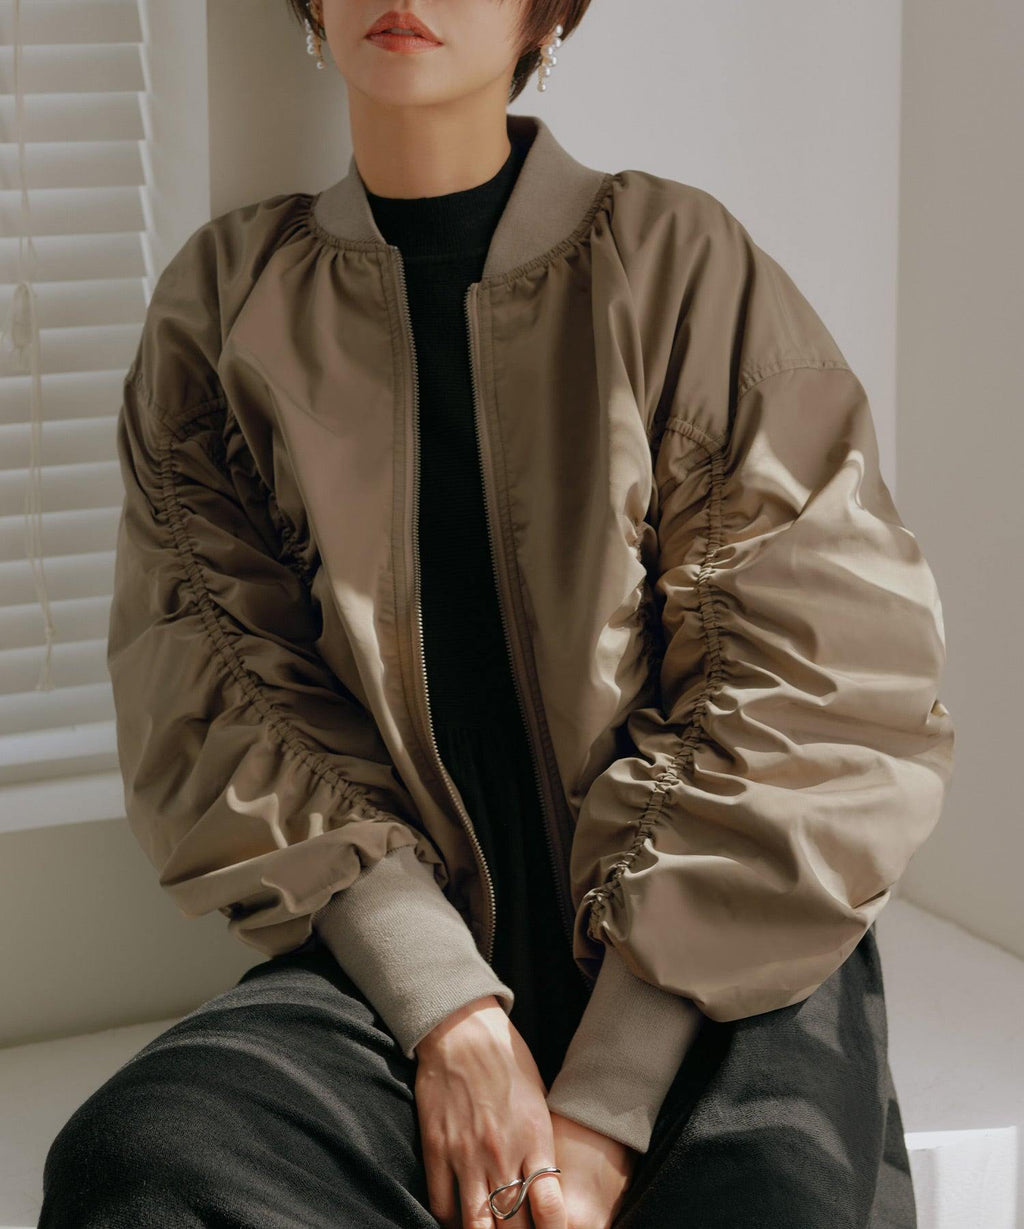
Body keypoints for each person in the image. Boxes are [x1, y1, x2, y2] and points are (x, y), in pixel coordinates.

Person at [38, 2, 955, 1227]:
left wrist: (602, 1103)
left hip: (720, 963)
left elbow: (814, 682)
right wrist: (450, 1015)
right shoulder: (223, 309)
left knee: (764, 1198)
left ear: (544, 12)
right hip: (400, 976)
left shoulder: (677, 266)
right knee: (141, 1162)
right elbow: (218, 699)